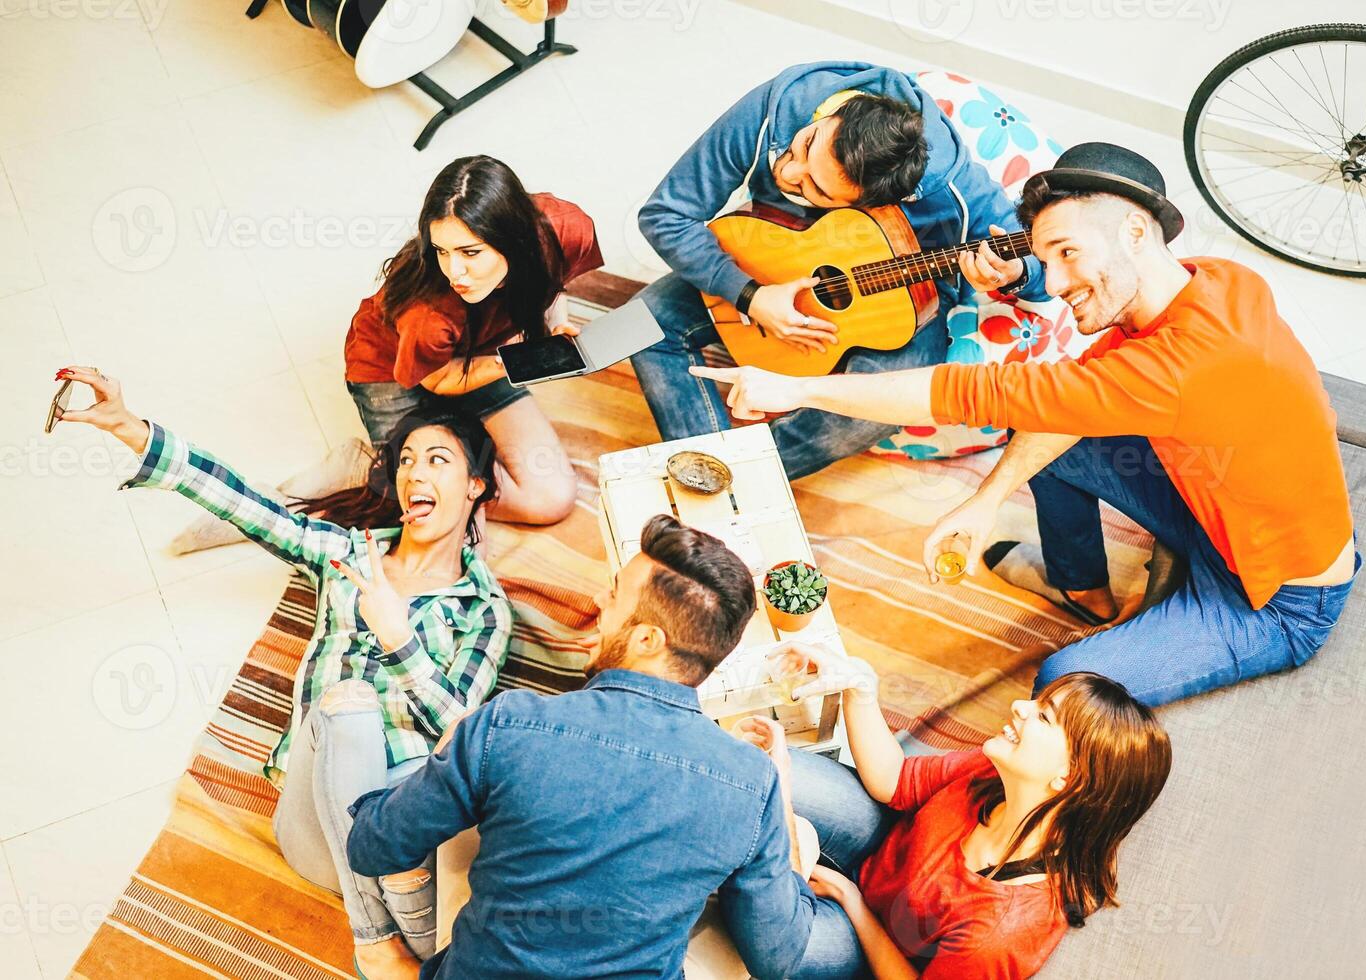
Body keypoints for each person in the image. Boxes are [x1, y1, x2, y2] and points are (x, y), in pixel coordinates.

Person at [686, 142, 1360, 707]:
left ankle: (1162, 595)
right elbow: (1064, 409)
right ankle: (1082, 588)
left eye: (1067, 252)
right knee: (1056, 442)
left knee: (1061, 682)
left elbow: (974, 390)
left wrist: (796, 386)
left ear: (1134, 231)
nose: (1057, 282)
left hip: (1277, 599)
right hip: (1217, 515)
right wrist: (984, 500)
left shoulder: (1184, 364)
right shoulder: (1216, 279)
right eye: (1045, 259)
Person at [52, 365, 513, 979]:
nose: (414, 474)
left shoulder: (484, 610)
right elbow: (255, 508)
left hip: (408, 826)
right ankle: (374, 935)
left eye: (437, 460)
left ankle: (414, 953)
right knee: (347, 705)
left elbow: (459, 729)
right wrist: (135, 431)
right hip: (318, 830)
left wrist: (399, 640)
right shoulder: (348, 554)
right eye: (405, 460)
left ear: (476, 485)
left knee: (438, 795)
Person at [344, 515, 816, 979]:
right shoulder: (751, 784)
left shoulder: (508, 724)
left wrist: (446, 753)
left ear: (647, 639)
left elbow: (372, 847)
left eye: (613, 594)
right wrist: (781, 792)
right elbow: (777, 959)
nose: (597, 600)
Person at [631, 61, 1050, 480]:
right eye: (807, 144)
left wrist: (1013, 273)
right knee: (642, 323)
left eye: (814, 188)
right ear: (833, 112)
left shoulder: (955, 189)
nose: (788, 171)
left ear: (875, 201)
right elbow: (666, 214)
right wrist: (750, 295)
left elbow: (1043, 269)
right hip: (773, 255)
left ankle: (743, 479)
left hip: (905, 303)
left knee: (876, 410)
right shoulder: (781, 106)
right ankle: (703, 472)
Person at [774, 644, 1171, 979]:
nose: (1019, 706)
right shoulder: (995, 769)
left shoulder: (1002, 931)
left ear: (1070, 777)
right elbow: (895, 779)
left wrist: (852, 901)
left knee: (774, 934)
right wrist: (859, 687)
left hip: (874, 946)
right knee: (766, 770)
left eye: (1044, 716)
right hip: (881, 852)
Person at [345, 154, 604, 525]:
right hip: (392, 370)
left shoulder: (566, 229)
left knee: (553, 500)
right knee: (431, 502)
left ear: (515, 240)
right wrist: (513, 360)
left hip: (481, 352)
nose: (454, 272)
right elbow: (438, 379)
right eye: (441, 250)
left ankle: (434, 462)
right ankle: (370, 471)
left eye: (470, 252)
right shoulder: (429, 315)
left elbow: (555, 280)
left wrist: (555, 323)